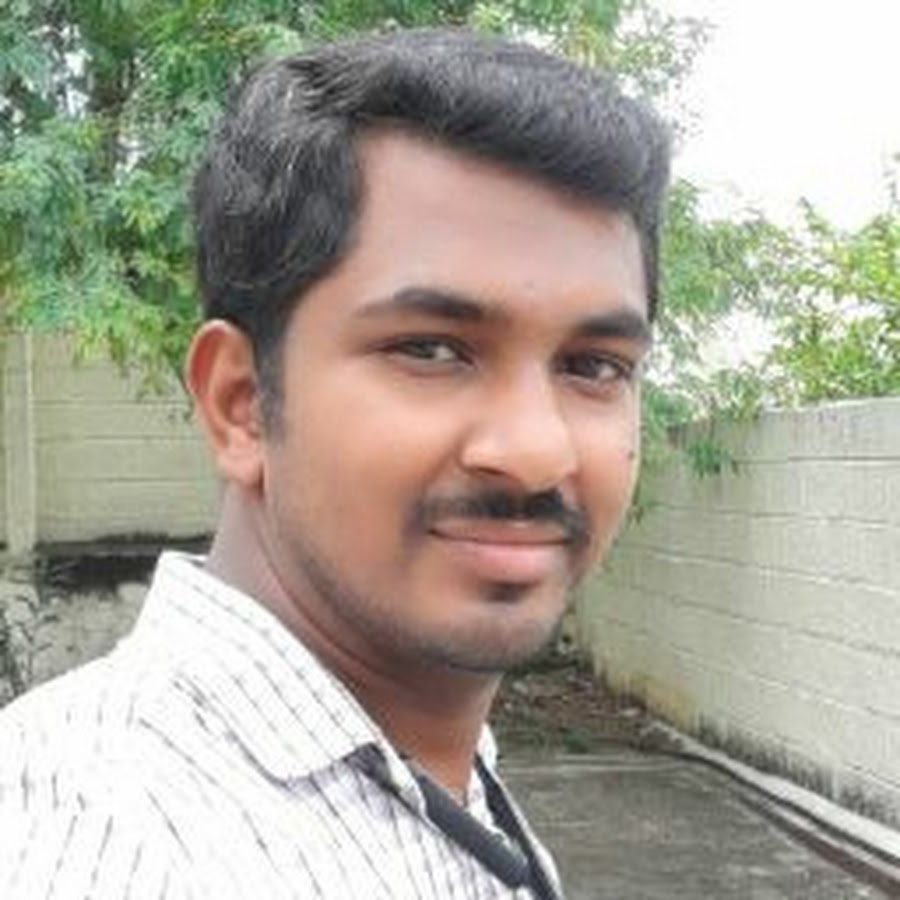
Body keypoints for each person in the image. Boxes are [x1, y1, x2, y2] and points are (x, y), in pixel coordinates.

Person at [0, 27, 669, 899]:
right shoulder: (92, 841)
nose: (537, 453)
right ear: (240, 402)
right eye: (431, 350)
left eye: (593, 366)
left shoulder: (428, 759)